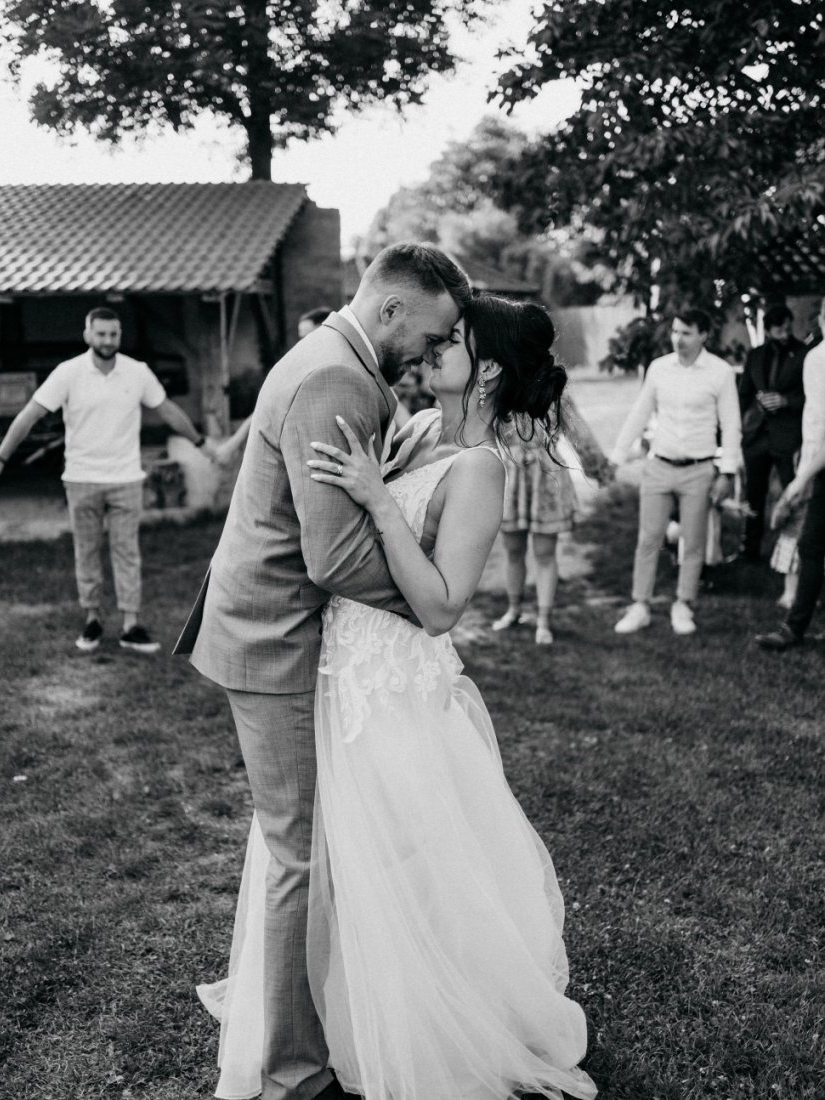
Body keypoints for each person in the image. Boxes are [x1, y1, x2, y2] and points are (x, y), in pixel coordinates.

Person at [198, 293, 597, 1100]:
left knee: (399, 864)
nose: (433, 346)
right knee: (333, 858)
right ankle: (328, 1017)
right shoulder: (413, 429)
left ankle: (415, 1024)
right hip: (338, 670)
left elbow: (444, 606)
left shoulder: (482, 467)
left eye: (454, 340)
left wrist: (380, 499)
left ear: (488, 368)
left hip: (393, 689)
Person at [176, 243, 471, 1100]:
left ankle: (309, 1018)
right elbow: (335, 556)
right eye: (431, 335)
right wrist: (430, 608)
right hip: (273, 635)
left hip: (278, 625)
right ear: (391, 310)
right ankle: (292, 1075)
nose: (430, 352)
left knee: (304, 844)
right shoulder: (336, 376)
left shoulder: (340, 360)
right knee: (300, 856)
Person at [0, 307, 215, 653]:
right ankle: (93, 620)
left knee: (127, 554)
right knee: (86, 552)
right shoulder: (68, 372)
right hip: (81, 479)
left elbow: (168, 411)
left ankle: (131, 625)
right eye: (100, 334)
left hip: (126, 479)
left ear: (119, 335)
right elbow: (30, 415)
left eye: (113, 334)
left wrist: (203, 444)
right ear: (87, 335)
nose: (107, 340)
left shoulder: (137, 372)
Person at [609, 308, 742, 636]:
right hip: (659, 466)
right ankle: (640, 605)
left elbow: (731, 424)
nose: (677, 339)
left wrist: (727, 472)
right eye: (675, 332)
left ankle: (683, 604)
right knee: (648, 538)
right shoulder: (659, 368)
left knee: (693, 541)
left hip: (699, 469)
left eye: (686, 333)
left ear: (703, 335)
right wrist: (616, 458)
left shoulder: (720, 372)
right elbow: (639, 415)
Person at [491, 394, 613, 644]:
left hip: (546, 475)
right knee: (513, 549)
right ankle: (514, 609)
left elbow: (579, 434)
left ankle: (543, 620)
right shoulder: (498, 387)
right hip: (510, 476)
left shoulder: (555, 391)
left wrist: (597, 467)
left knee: (545, 552)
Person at [756, 296, 825, 650]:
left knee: (811, 544)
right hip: (818, 465)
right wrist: (806, 458)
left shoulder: (817, 359)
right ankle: (794, 628)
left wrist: (799, 481)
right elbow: (816, 422)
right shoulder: (816, 357)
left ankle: (794, 628)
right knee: (811, 545)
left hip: (818, 467)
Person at [215, 308, 335, 466]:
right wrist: (235, 442)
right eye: (301, 338)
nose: (303, 343)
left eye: (308, 336)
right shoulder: (303, 364)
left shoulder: (337, 361)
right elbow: (270, 404)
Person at [737, 303, 806, 560]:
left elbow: (813, 396)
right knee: (754, 493)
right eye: (779, 330)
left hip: (789, 435)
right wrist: (756, 405)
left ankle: (792, 550)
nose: (785, 334)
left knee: (792, 492)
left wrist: (786, 401)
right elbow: (744, 394)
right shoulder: (756, 355)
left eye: (788, 328)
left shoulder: (804, 354)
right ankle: (749, 548)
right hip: (757, 435)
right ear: (767, 331)